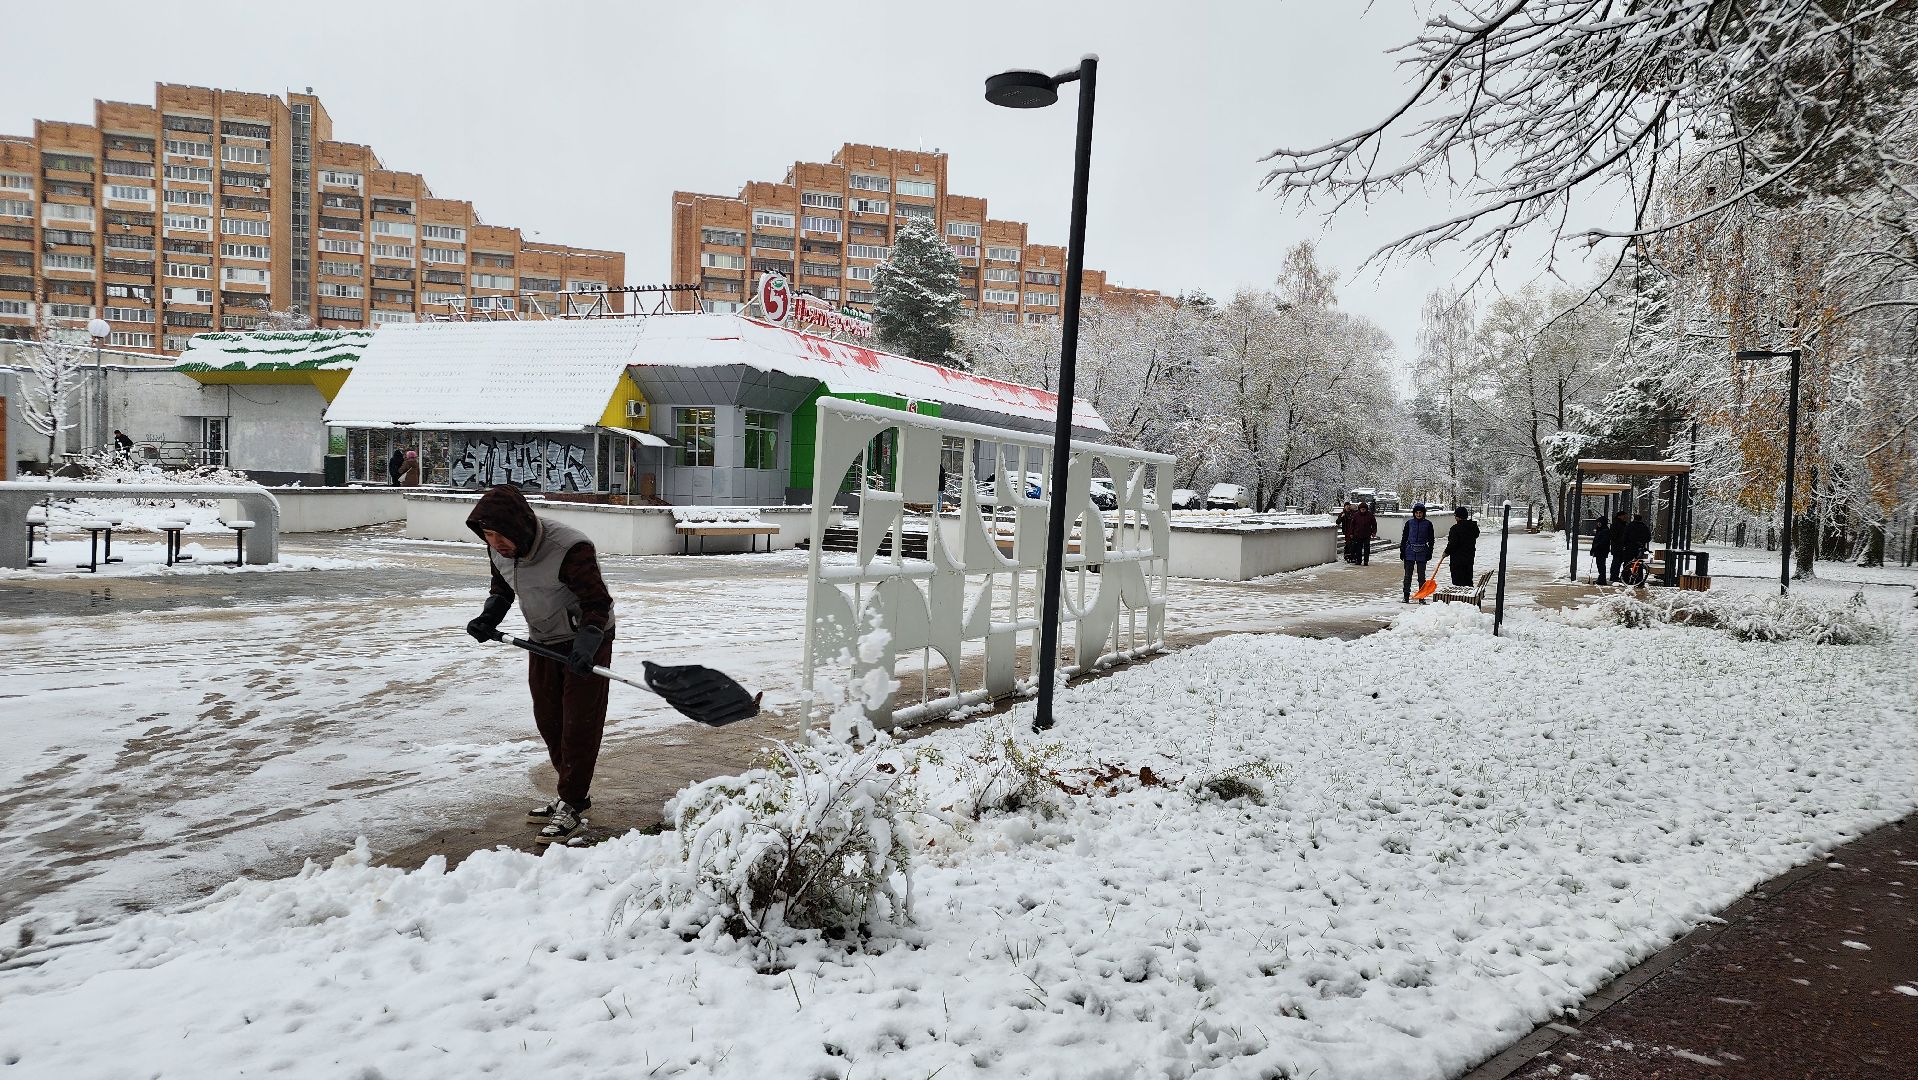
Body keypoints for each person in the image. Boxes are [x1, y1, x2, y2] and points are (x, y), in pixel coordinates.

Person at [463, 484, 616, 844]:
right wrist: (489, 617)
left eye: (502, 534)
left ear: (521, 527)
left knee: (579, 723)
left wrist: (588, 643)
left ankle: (573, 804)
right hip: (544, 640)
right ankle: (569, 795)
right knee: (550, 720)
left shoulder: (570, 548)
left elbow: (598, 601)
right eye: (488, 534)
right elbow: (502, 588)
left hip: (586, 638)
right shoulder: (497, 548)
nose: (495, 541)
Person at [1401, 502, 1435, 603]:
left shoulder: (1428, 524)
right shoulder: (1409, 523)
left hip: (1422, 552)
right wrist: (1402, 550)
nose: (1418, 514)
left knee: (1421, 577)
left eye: (1420, 513)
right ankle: (1406, 595)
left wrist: (1430, 551)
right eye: (1417, 513)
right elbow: (1404, 538)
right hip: (1409, 551)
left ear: (1423, 513)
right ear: (1414, 513)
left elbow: (1431, 539)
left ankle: (1421, 597)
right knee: (1408, 576)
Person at [1445, 506, 1480, 586]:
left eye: (1455, 516)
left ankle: (1460, 597)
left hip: (1457, 561)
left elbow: (1452, 543)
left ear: (1458, 516)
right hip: (1469, 558)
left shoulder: (1455, 529)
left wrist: (1446, 552)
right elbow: (1475, 536)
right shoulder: (1472, 527)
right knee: (1468, 579)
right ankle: (1469, 596)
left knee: (1458, 582)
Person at [1608, 510, 1633, 585]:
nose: (1626, 517)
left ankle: (1615, 576)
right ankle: (1614, 576)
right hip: (1618, 547)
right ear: (1620, 516)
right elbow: (1615, 537)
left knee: (1617, 562)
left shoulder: (1620, 524)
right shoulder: (1618, 525)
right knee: (1617, 562)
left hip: (1619, 547)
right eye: (1624, 516)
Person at [1589, 515, 1612, 585]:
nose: (1598, 524)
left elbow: (1603, 542)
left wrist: (1596, 547)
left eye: (1599, 523)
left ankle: (1602, 579)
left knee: (1601, 565)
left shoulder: (1604, 531)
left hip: (1601, 550)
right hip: (1600, 550)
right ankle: (1601, 578)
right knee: (1600, 565)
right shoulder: (1601, 530)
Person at [1358, 501, 1378, 565]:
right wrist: (1352, 533)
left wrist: (1374, 532)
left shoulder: (1370, 515)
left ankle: (1366, 561)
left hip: (1367, 534)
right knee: (1358, 548)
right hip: (1358, 534)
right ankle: (1358, 560)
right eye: (1361, 508)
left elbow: (1374, 524)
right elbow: (1352, 525)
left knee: (1367, 549)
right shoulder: (1356, 515)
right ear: (1360, 509)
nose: (1363, 510)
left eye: (1364, 508)